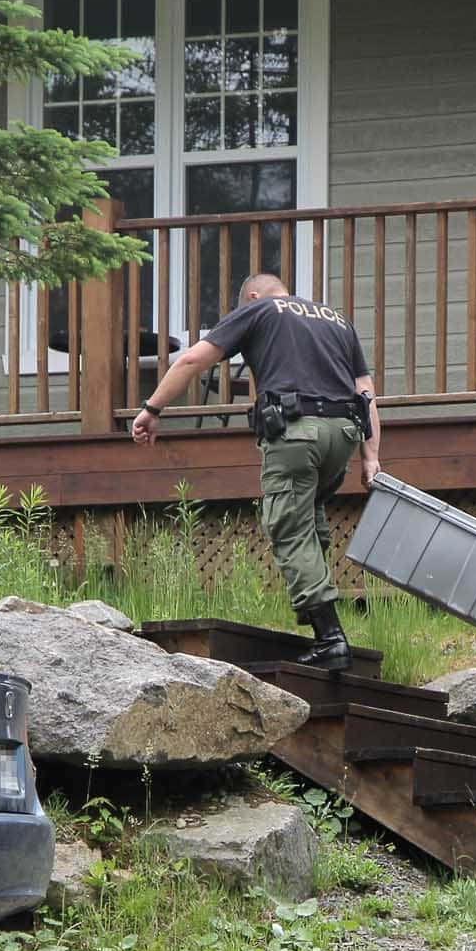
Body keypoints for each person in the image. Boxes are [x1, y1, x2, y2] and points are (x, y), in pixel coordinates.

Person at [131, 272, 382, 670]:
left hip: (298, 432)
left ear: (251, 295)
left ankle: (330, 638)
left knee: (287, 523)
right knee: (307, 514)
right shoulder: (336, 319)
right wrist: (371, 456)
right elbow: (365, 392)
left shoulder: (259, 310)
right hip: (344, 435)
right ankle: (318, 615)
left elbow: (194, 358)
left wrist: (152, 409)